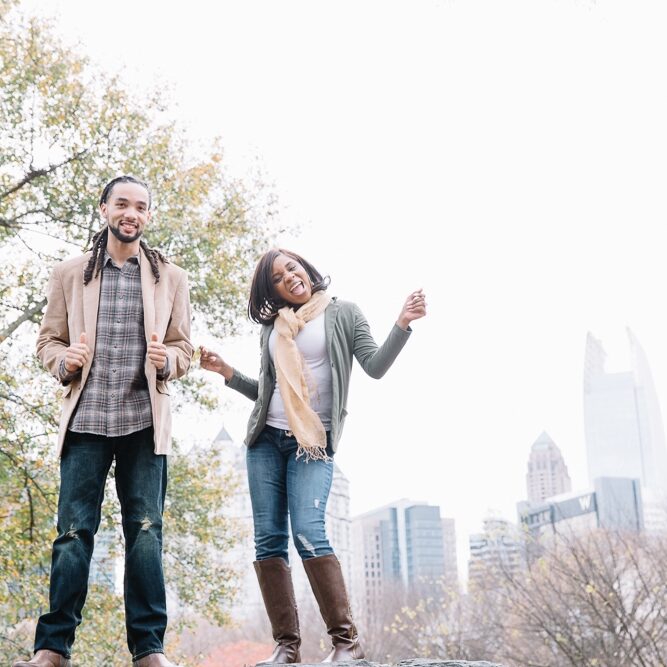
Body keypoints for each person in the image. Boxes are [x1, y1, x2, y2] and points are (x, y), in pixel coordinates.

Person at [200, 247, 426, 664]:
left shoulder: (343, 313)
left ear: (306, 269)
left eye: (293, 268)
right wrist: (227, 373)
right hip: (266, 442)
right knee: (268, 541)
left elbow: (374, 366)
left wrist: (402, 323)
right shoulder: (273, 328)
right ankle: (287, 647)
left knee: (308, 531)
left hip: (313, 443)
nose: (290, 277)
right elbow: (267, 392)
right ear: (272, 290)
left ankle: (347, 643)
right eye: (279, 277)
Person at [14, 176, 193, 667]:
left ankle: (149, 650)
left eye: (140, 207)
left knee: (146, 532)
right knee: (73, 534)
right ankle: (53, 647)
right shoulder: (71, 273)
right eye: (122, 204)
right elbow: (47, 342)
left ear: (148, 217)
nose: (130, 213)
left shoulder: (170, 278)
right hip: (86, 421)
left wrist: (167, 361)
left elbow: (184, 349)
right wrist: (64, 360)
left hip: (143, 422)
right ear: (104, 210)